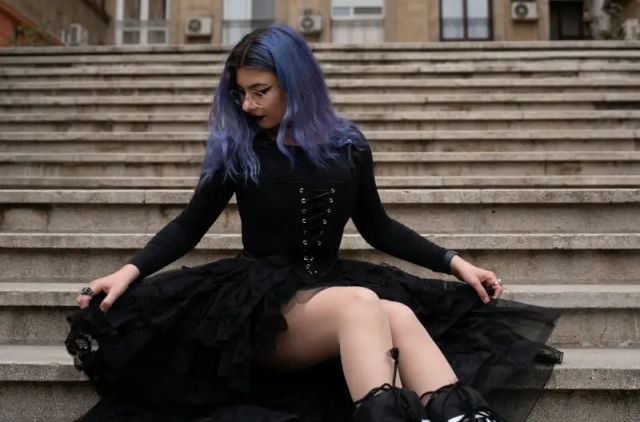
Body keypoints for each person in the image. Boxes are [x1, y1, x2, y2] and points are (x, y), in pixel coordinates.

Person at [65, 23, 562, 422]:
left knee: (400, 315)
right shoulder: (238, 149)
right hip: (264, 310)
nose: (247, 105)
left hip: (336, 293)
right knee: (362, 303)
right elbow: (189, 226)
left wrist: (456, 264)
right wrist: (128, 271)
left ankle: (459, 417)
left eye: (260, 91)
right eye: (240, 93)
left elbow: (378, 226)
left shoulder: (348, 145)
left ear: (296, 85)